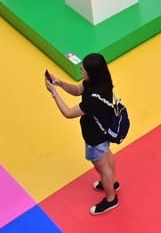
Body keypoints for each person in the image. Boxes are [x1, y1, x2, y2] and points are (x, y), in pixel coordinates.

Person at [45, 54, 126, 215]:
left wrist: (54, 92)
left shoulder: (94, 98)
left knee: (102, 167)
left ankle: (111, 199)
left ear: (91, 73)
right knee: (106, 156)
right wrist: (59, 83)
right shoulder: (99, 81)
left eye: (83, 69)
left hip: (95, 136)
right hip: (103, 131)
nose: (80, 70)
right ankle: (112, 183)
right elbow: (77, 90)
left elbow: (68, 113)